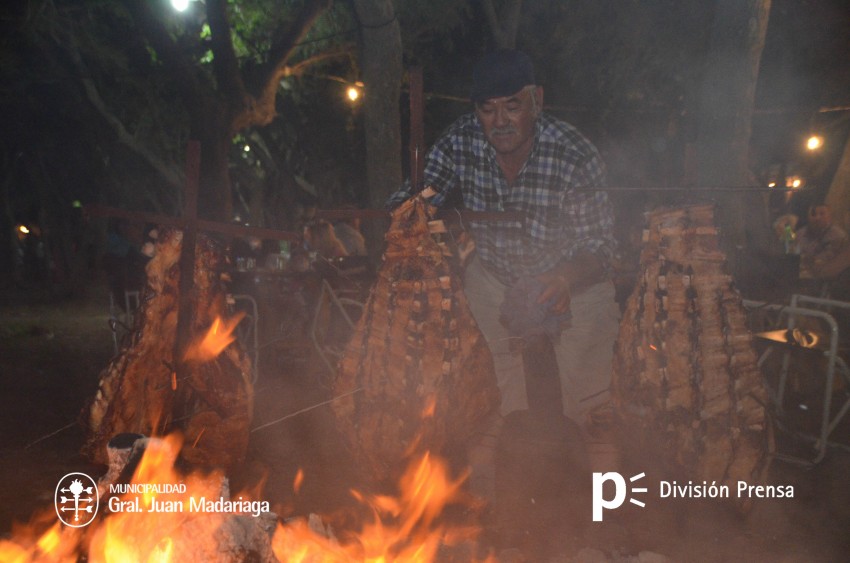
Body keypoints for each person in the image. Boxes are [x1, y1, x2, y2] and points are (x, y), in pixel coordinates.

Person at [387, 50, 620, 496]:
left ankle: (606, 513)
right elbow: (418, 194)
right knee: (486, 399)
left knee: (595, 407)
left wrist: (564, 280)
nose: (500, 121)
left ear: (537, 101)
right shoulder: (461, 141)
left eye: (512, 105)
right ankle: (485, 502)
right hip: (494, 278)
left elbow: (600, 246)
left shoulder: (574, 153)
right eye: (487, 109)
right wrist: (408, 214)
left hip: (573, 281)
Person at [795, 204, 848, 289]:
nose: (817, 217)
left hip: (822, 281)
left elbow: (826, 260)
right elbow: (791, 253)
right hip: (797, 276)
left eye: (822, 213)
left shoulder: (838, 236)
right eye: (813, 214)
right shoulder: (799, 234)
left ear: (830, 215)